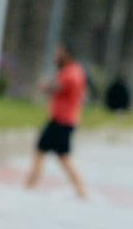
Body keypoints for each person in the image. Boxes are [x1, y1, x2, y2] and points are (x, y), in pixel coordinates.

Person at [26, 43, 89, 199]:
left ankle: (81, 190)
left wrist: (43, 85)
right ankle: (30, 184)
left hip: (63, 121)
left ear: (67, 54)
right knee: (45, 151)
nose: (56, 56)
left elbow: (56, 87)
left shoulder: (72, 73)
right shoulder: (73, 71)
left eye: (59, 53)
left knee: (62, 157)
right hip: (61, 120)